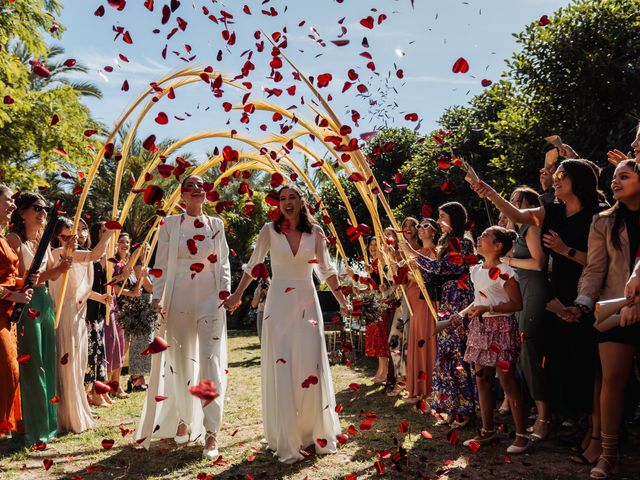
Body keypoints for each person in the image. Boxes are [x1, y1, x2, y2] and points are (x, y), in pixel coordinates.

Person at [472, 159, 602, 437]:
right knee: (559, 356)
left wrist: (565, 249)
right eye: (554, 175)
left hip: (588, 291)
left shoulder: (598, 215)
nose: (555, 180)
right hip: (556, 291)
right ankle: (567, 419)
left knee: (587, 360)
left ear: (578, 181)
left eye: (561, 176)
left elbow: (601, 262)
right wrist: (489, 192)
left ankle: (595, 430)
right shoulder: (552, 210)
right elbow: (518, 215)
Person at [223, 185, 350, 464]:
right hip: (278, 304)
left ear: (302, 201)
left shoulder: (316, 233)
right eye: (282, 198)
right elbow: (253, 266)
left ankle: (310, 432)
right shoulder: (269, 230)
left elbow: (326, 270)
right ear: (277, 204)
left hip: (307, 300)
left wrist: (342, 300)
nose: (287, 202)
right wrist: (236, 294)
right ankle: (285, 435)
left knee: (309, 363)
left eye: (293, 197)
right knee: (283, 366)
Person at [135, 175, 231, 459]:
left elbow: (223, 261)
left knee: (210, 361)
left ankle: (211, 432)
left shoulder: (217, 225)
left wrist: (225, 293)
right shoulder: (170, 224)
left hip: (210, 297)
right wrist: (157, 297)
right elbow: (161, 263)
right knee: (179, 359)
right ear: (182, 197)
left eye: (202, 186)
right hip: (178, 297)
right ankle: (184, 418)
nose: (198, 189)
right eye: (191, 187)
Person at [562, 160, 640, 478]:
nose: (615, 182)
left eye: (625, 176)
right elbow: (594, 269)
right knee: (611, 382)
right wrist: (583, 303)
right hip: (615, 308)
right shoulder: (602, 222)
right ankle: (607, 456)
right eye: (613, 177)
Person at [401, 202, 476, 426]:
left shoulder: (462, 243)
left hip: (458, 298)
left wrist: (413, 253)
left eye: (442, 216)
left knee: (457, 352)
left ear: (454, 218)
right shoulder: (445, 242)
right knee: (445, 353)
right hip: (445, 297)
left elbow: (443, 268)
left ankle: (465, 408)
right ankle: (450, 407)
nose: (439, 220)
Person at [7, 193, 72, 447]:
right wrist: (47, 273)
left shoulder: (39, 242)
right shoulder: (14, 240)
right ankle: (31, 429)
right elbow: (14, 275)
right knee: (32, 364)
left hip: (45, 302)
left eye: (45, 208)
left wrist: (65, 258)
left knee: (46, 359)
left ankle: (48, 425)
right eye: (37, 207)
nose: (43, 212)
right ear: (22, 212)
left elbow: (53, 275)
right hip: (26, 303)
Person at [460, 226, 529, 453]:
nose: (479, 238)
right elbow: (478, 299)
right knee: (483, 380)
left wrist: (487, 308)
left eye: (484, 236)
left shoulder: (506, 272)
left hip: (502, 330)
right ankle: (487, 431)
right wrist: (459, 315)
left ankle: (521, 436)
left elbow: (517, 304)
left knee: (508, 383)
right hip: (480, 329)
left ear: (498, 246)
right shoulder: (476, 270)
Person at [48, 216, 115, 434]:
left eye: (77, 234)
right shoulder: (59, 254)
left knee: (78, 365)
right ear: (59, 237)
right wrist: (108, 233)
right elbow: (96, 254)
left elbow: (79, 292)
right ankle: (69, 415)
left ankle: (79, 407)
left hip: (77, 313)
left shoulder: (74, 255)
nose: (75, 238)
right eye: (69, 235)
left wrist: (101, 297)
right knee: (69, 364)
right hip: (65, 315)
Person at [501, 187, 551, 441]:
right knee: (521, 356)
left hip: (534, 290)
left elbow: (539, 263)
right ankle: (531, 408)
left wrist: (510, 261)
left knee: (529, 351)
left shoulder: (531, 228)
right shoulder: (515, 233)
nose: (511, 205)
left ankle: (544, 417)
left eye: (515, 201)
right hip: (521, 293)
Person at [0, 185, 34, 441]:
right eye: (8, 200)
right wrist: (14, 295)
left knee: (11, 374)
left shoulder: (2, 237)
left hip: (7, 316)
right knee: (6, 373)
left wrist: (23, 285)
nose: (12, 204)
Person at [404, 218, 438, 403]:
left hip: (426, 301)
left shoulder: (434, 251)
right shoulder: (415, 252)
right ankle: (417, 388)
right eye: (420, 226)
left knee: (426, 339)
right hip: (413, 299)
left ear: (434, 232)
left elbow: (430, 274)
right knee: (416, 338)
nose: (421, 228)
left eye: (426, 226)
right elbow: (410, 276)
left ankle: (430, 388)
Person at [84, 222, 112, 407]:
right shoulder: (90, 259)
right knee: (91, 354)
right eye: (103, 232)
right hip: (89, 309)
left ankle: (99, 390)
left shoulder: (104, 260)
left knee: (99, 353)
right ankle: (91, 393)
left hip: (100, 311)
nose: (107, 235)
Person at [122, 242, 155, 393]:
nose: (146, 252)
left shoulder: (148, 268)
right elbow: (150, 288)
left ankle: (139, 376)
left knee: (145, 342)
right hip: (140, 306)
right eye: (144, 250)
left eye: (149, 249)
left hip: (147, 307)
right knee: (139, 342)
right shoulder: (139, 268)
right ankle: (136, 377)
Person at [363, 237, 390, 383]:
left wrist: (371, 273)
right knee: (376, 336)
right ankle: (380, 369)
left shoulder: (382, 263)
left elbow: (382, 281)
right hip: (373, 301)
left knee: (381, 336)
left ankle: (385, 370)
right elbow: (370, 285)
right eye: (371, 245)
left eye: (376, 245)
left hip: (381, 301)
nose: (373, 247)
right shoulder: (371, 264)